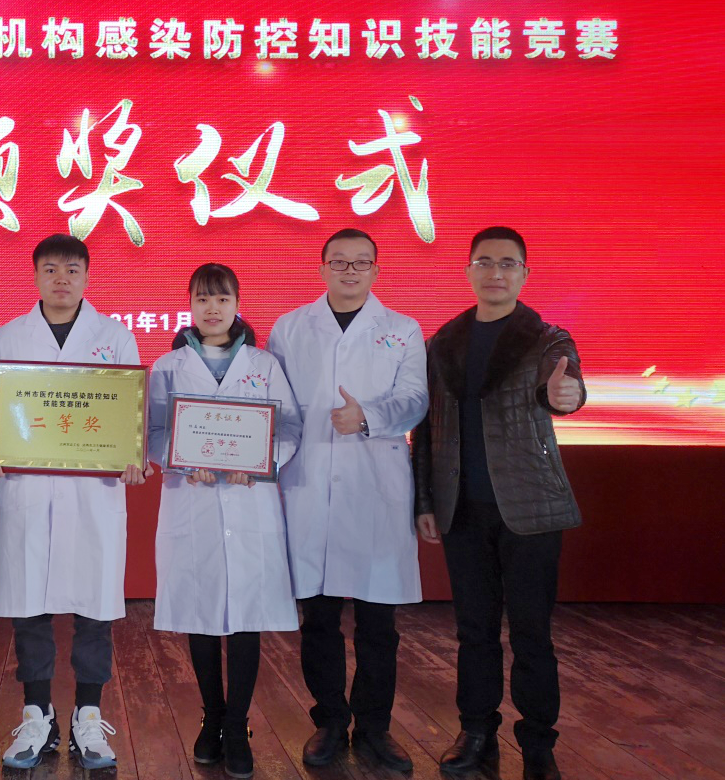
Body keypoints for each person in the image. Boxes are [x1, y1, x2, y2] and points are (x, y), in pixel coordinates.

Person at [412, 226, 585, 780]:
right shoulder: (443, 342)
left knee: (532, 631)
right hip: (462, 507)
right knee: (474, 630)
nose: (495, 273)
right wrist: (424, 500)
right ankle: (476, 732)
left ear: (524, 274)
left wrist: (567, 395)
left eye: (508, 263)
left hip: (529, 509)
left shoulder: (547, 339)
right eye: (484, 262)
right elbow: (427, 430)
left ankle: (538, 743)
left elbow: (565, 387)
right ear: (468, 271)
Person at [0, 233, 150, 771]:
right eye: (50, 269)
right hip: (28, 490)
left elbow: (132, 415)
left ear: (87, 277)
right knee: (30, 606)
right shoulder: (8, 336)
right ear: (35, 276)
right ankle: (38, 715)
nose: (61, 279)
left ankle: (88, 716)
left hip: (94, 495)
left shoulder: (115, 337)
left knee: (94, 609)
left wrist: (133, 455)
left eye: (72, 270)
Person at [267, 227, 427, 771]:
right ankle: (330, 721)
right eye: (339, 261)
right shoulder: (290, 328)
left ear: (376, 271)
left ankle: (375, 728)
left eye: (361, 263)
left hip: (374, 486)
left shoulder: (402, 329)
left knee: (379, 622)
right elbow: (275, 404)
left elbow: (416, 399)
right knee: (319, 617)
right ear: (322, 269)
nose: (350, 271)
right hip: (309, 482)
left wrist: (368, 417)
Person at [147, 264, 302, 779]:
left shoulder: (264, 363)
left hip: (248, 501)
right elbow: (153, 432)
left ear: (237, 304)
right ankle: (211, 717)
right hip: (191, 499)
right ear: (189, 304)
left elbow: (289, 428)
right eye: (202, 299)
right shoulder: (168, 366)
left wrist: (260, 463)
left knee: (245, 617)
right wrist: (180, 461)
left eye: (222, 299)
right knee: (200, 612)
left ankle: (237, 726)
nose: (212, 308)